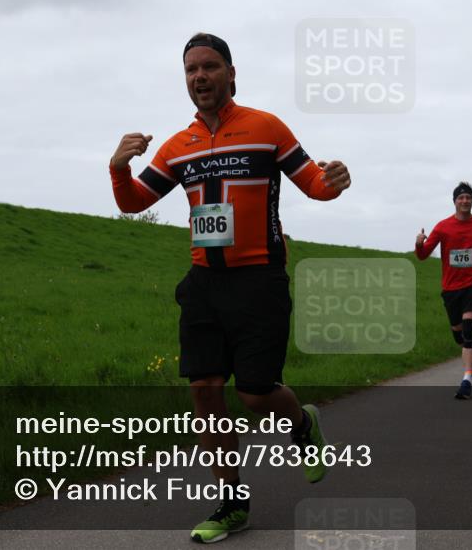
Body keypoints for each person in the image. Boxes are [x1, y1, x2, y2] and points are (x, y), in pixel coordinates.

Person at [109, 33, 351, 544]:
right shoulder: (179, 146)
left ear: (231, 73)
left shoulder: (266, 128)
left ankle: (303, 425)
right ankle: (232, 502)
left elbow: (314, 184)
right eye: (191, 69)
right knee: (205, 391)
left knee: (256, 392)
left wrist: (336, 178)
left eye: (210, 67)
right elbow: (134, 202)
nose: (200, 77)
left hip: (260, 278)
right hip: (203, 282)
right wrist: (117, 168)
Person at [415, 182, 472, 400]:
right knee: (460, 336)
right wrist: (419, 243)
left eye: (468, 197)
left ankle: (466, 380)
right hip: (450, 287)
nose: (465, 201)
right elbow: (423, 255)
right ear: (454, 201)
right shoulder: (443, 226)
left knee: (468, 327)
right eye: (461, 198)